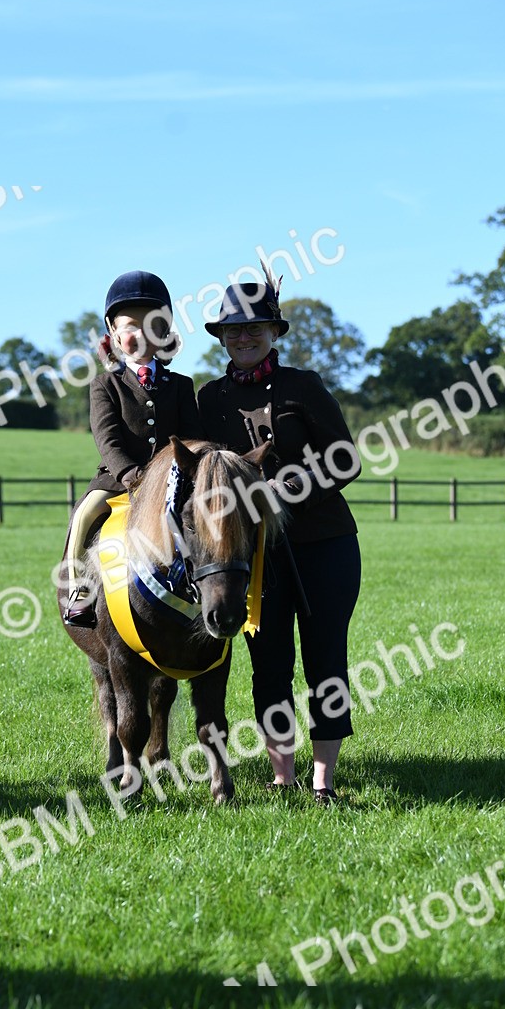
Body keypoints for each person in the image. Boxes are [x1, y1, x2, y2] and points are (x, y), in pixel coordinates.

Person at [196, 272, 362, 803]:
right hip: (253, 556)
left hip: (324, 545)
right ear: (222, 338)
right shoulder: (209, 399)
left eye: (255, 328)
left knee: (325, 663)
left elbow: (346, 459)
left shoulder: (304, 386)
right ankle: (282, 777)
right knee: (269, 666)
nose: (244, 338)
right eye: (234, 330)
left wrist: (288, 489)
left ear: (274, 332)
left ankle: (323, 782)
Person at [62, 270, 202, 627]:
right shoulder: (105, 384)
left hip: (173, 479)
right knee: (84, 515)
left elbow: (191, 437)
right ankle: (80, 590)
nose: (140, 335)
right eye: (130, 327)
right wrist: (129, 474)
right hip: (117, 479)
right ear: (113, 333)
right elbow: (106, 437)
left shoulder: (182, 386)